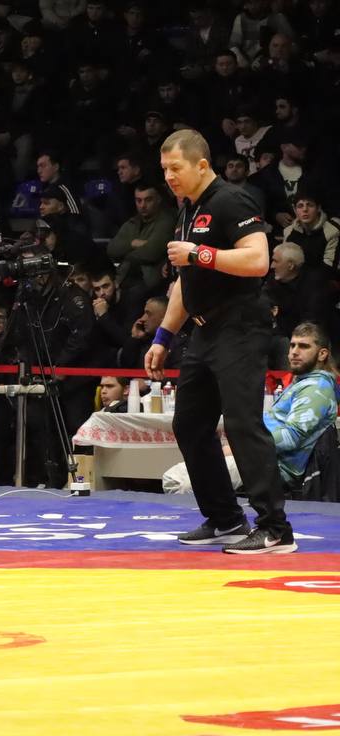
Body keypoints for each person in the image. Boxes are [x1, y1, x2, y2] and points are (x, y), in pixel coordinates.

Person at [147, 129, 293, 554]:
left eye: (176, 168)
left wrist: (199, 253)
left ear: (201, 165)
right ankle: (226, 518)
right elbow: (184, 282)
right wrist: (163, 335)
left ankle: (276, 529)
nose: (169, 177)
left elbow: (258, 259)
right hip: (205, 329)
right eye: (164, 169)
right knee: (190, 423)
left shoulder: (232, 200)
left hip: (240, 326)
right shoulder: (188, 210)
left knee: (243, 423)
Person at [162, 324, 337, 494]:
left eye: (304, 346)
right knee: (176, 475)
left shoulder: (317, 388)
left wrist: (242, 447)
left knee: (179, 482)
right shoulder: (303, 383)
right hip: (258, 458)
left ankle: (224, 513)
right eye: (292, 345)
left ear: (322, 354)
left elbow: (292, 437)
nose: (294, 352)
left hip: (272, 467)